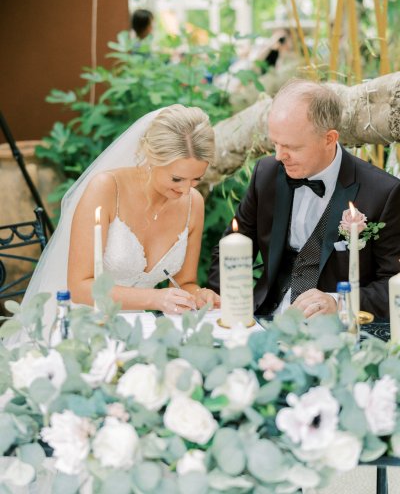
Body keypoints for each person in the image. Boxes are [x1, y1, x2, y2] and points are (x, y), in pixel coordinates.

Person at [208, 79, 400, 320]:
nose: (279, 156)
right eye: (275, 144)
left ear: (329, 139)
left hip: (332, 329)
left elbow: (393, 285)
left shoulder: (383, 193)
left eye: (292, 147)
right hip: (262, 315)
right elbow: (232, 247)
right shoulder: (266, 174)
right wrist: (217, 301)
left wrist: (338, 302)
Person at [21, 105, 219, 338]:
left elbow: (184, 283)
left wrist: (197, 295)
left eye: (196, 179)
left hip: (145, 330)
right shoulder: (106, 189)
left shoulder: (193, 203)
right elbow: (79, 287)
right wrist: (154, 298)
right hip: (85, 324)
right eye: (177, 178)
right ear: (151, 157)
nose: (186, 190)